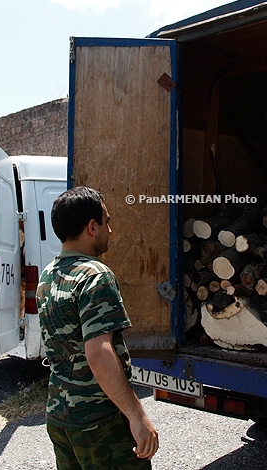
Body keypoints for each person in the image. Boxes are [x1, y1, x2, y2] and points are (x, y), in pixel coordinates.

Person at [37, 186, 159, 469]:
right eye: (107, 221)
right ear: (92, 227)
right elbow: (99, 353)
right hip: (100, 424)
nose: (111, 230)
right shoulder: (95, 275)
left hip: (61, 418)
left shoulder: (48, 275)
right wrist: (137, 416)